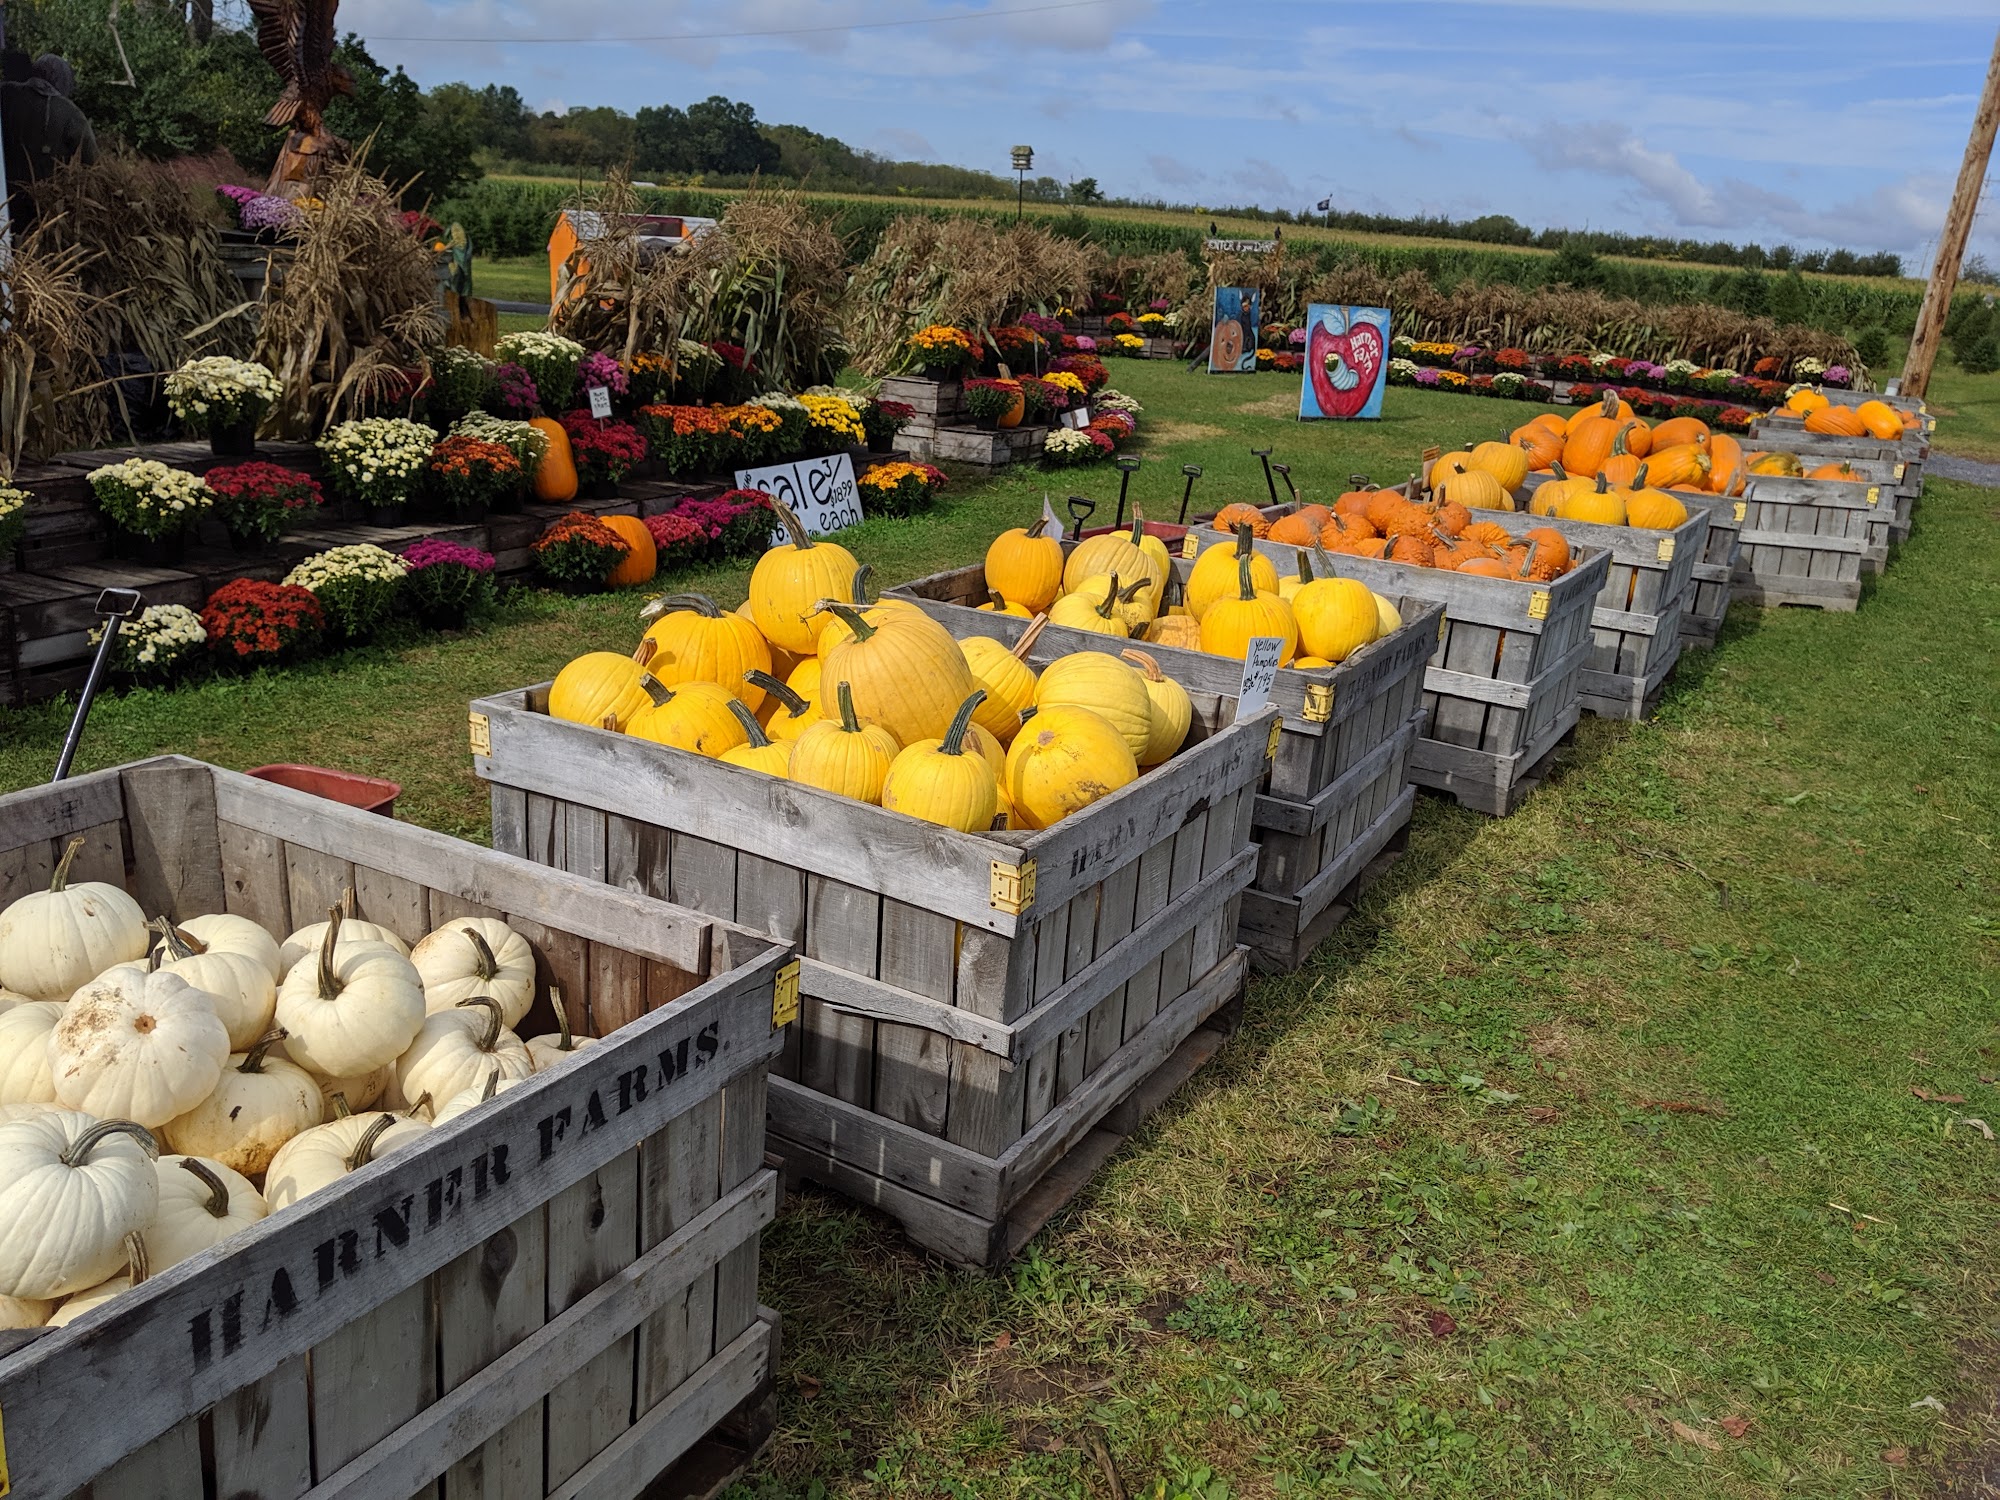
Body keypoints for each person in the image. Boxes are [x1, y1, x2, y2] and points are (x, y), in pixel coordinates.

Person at [1, 49, 98, 234]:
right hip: (42, 210)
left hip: (4, 200)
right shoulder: (69, 112)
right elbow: (92, 162)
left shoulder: (7, 93)